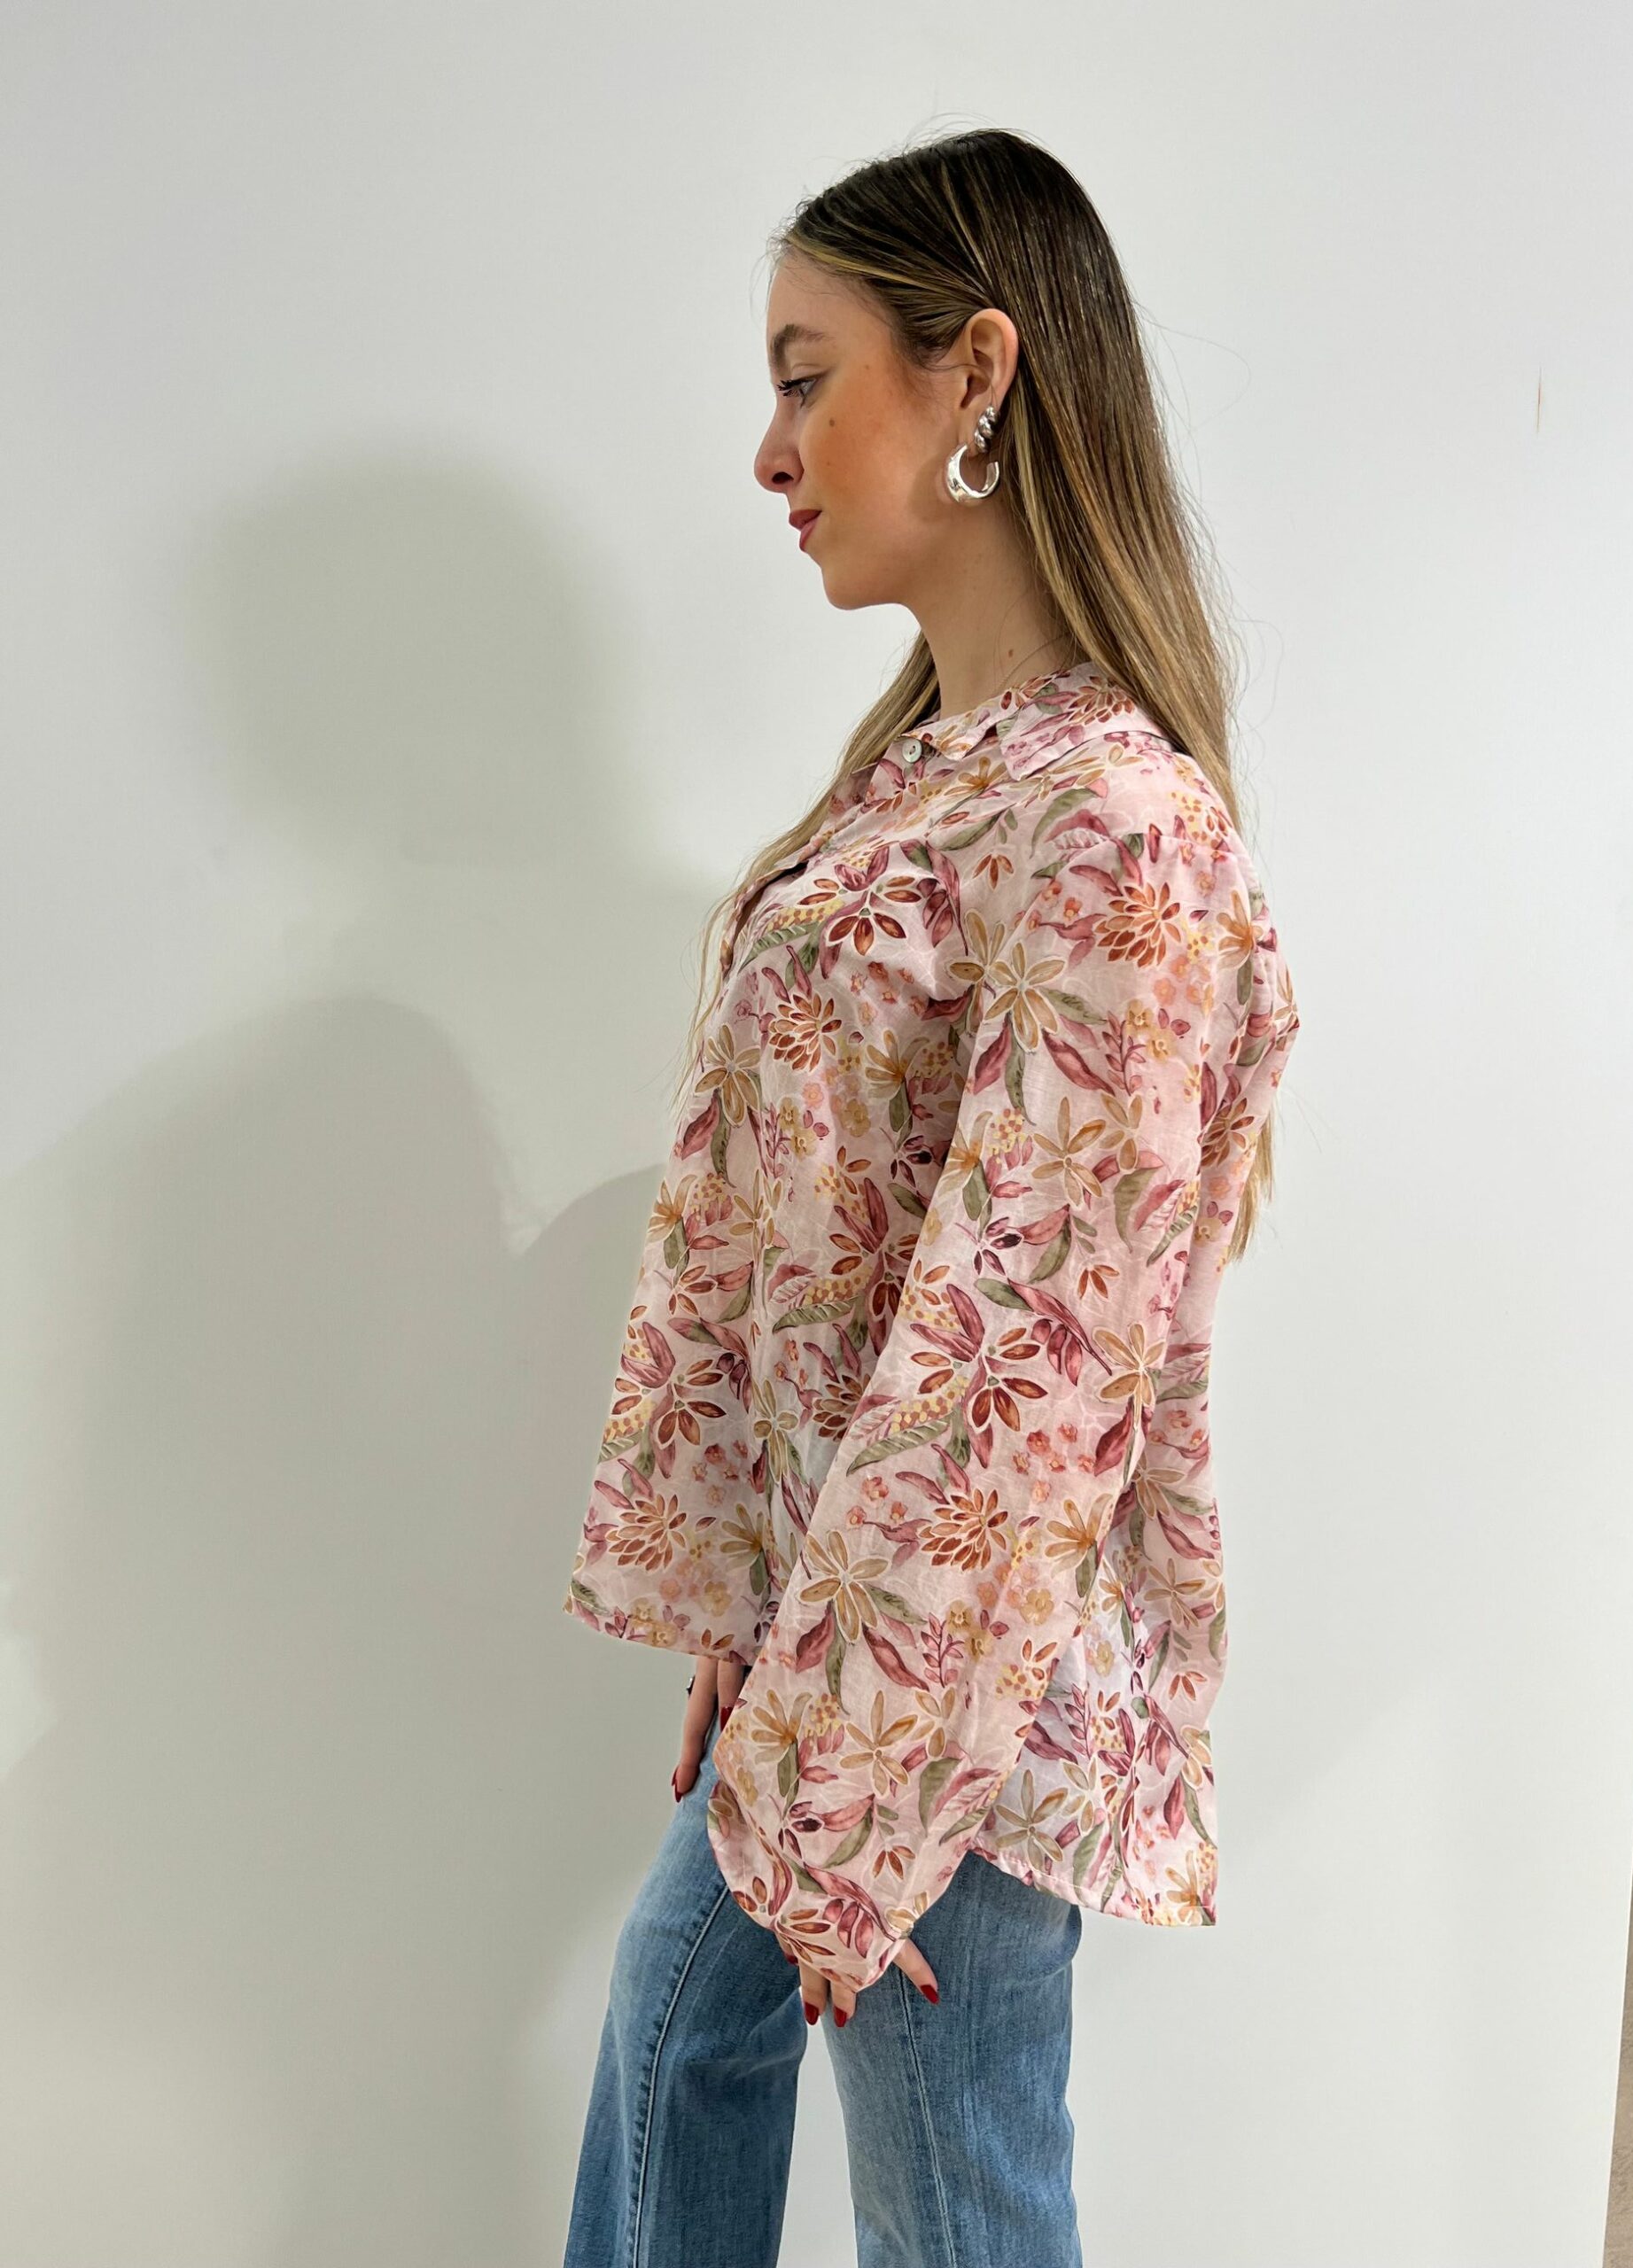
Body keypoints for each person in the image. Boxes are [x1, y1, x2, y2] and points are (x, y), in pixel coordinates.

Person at [561, 125, 1302, 2268]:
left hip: (954, 1690)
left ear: (976, 372)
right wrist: (759, 1616)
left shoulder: (1114, 822)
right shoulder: (931, 773)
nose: (770, 451)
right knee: (696, 2052)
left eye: (808, 378)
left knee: (952, 2200)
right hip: (848, 1644)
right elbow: (807, 1245)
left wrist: (865, 1759)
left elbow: (1035, 1344)